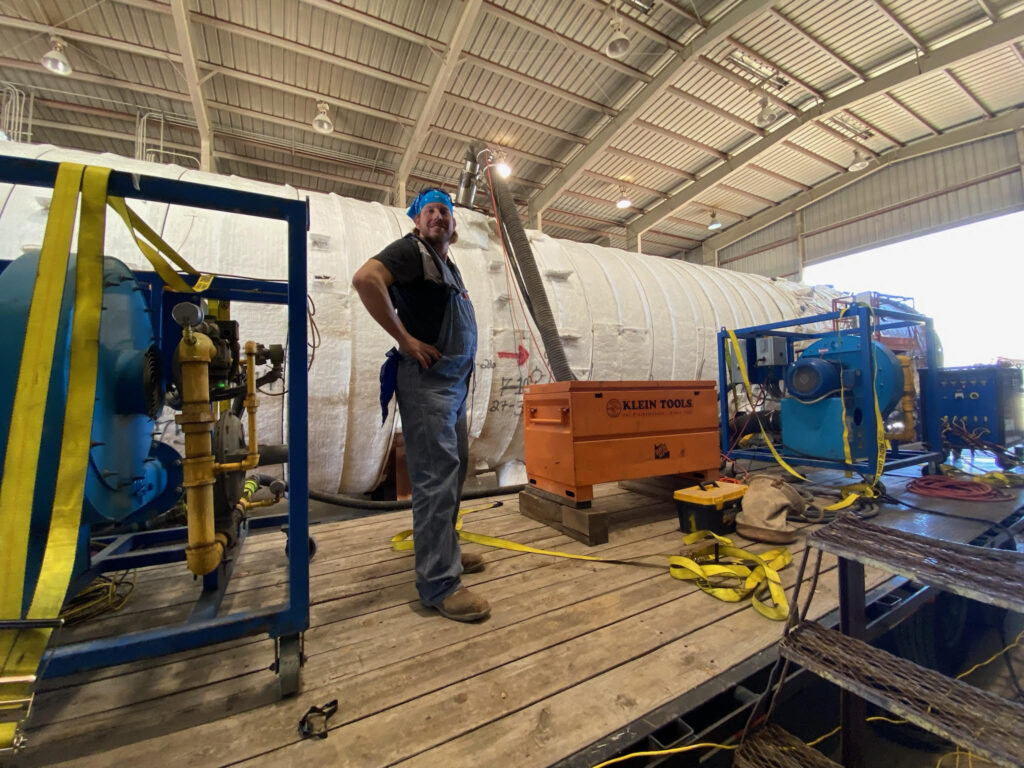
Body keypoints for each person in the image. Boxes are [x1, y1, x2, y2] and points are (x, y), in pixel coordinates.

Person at [352, 188, 490, 622]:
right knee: (434, 478)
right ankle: (438, 584)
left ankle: (443, 552)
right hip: (429, 384)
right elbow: (365, 279)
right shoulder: (410, 251)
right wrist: (405, 339)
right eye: (429, 211)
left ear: (453, 225)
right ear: (416, 221)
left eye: (444, 212)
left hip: (451, 385)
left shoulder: (447, 264)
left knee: (451, 472)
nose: (438, 217)